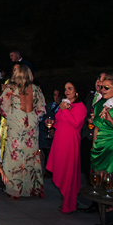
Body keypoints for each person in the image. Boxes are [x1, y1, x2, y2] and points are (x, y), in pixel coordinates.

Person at [0, 64, 46, 198]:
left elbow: (3, 106)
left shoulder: (10, 89)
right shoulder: (36, 89)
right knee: (32, 154)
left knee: (14, 154)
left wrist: (12, 117)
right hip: (31, 120)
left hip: (16, 120)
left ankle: (14, 189)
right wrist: (34, 117)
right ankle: (33, 187)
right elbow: (42, 108)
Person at [45, 82, 87, 214]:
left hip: (70, 142)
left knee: (67, 172)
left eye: (70, 88)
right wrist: (52, 124)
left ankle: (69, 202)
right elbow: (61, 121)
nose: (67, 91)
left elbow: (75, 123)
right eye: (65, 89)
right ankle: (65, 198)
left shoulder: (80, 107)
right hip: (59, 140)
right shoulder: (65, 105)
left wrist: (64, 110)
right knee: (60, 169)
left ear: (77, 91)